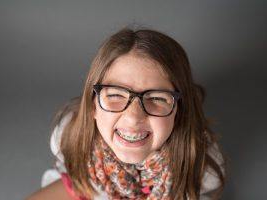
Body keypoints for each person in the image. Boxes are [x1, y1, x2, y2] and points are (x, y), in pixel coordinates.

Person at [26, 28, 226, 200]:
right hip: (90, 187)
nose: (133, 117)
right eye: (115, 94)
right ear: (93, 105)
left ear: (178, 111)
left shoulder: (203, 165)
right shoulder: (69, 137)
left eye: (157, 98)